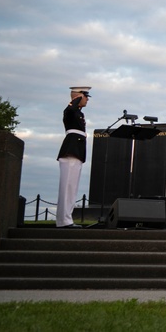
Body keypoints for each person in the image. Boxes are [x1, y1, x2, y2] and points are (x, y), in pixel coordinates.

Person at [56, 86, 90, 228]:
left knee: (72, 188)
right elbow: (70, 110)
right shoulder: (70, 111)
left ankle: (66, 219)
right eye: (85, 96)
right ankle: (64, 221)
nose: (87, 99)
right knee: (67, 187)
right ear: (79, 96)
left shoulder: (79, 113)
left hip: (77, 151)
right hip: (71, 150)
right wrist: (76, 99)